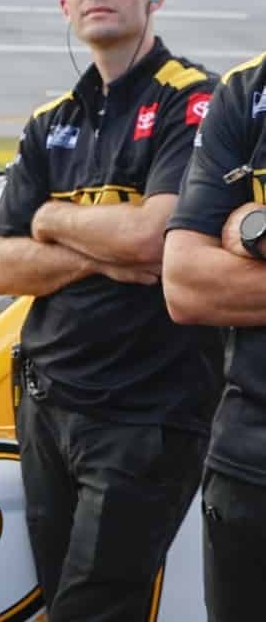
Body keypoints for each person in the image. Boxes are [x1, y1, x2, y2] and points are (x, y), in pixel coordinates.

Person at [0, 0, 221, 618]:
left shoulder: (193, 98)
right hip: (48, 404)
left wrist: (52, 221)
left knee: (92, 607)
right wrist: (99, 250)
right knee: (63, 598)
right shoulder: (50, 118)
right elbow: (3, 266)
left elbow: (153, 241)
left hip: (147, 410)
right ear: (64, 1)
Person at [165, 50, 266, 622]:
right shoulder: (245, 90)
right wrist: (253, 227)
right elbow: (185, 285)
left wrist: (247, 228)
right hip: (247, 469)